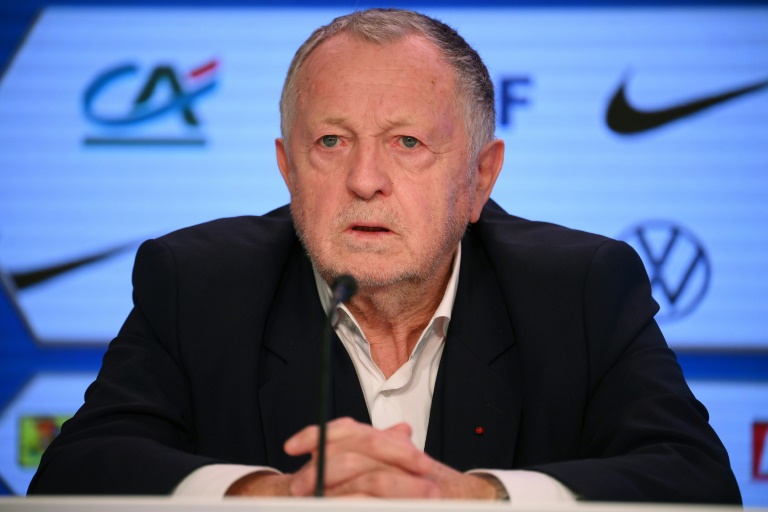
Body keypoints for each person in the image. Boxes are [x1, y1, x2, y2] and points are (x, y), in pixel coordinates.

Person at [28, 8, 741, 503]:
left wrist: (473, 497)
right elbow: (73, 475)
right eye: (330, 141)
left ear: (480, 179)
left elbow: (697, 482)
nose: (365, 180)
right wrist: (264, 495)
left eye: (407, 142)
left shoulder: (580, 289)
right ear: (287, 169)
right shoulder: (198, 284)